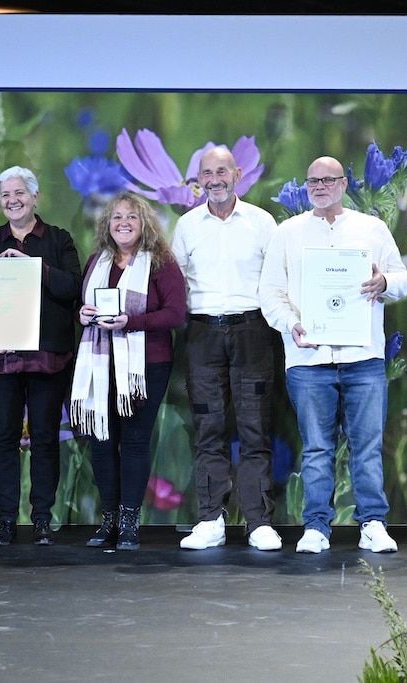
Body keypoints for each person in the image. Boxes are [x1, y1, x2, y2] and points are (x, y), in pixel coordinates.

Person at [259, 155, 407, 554]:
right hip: (308, 360)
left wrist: (384, 283)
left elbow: (403, 279)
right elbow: (270, 292)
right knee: (316, 447)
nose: (320, 186)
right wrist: (290, 323)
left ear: (345, 185)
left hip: (363, 357)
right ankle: (316, 527)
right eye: (313, 181)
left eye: (328, 179)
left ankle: (373, 523)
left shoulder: (372, 229)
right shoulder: (287, 232)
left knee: (367, 445)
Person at [171, 146, 281, 551]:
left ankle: (258, 522)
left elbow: (277, 278)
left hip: (253, 330)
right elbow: (174, 281)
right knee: (209, 428)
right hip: (202, 335)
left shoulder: (262, 222)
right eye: (206, 173)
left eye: (221, 171)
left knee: (254, 427)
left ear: (237, 174)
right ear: (198, 178)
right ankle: (211, 519)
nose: (214, 179)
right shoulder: (186, 226)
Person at [71, 192, 186, 550]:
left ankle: (130, 522)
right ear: (107, 223)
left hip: (146, 364)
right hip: (100, 361)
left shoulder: (161, 263)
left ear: (145, 223)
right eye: (117, 216)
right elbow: (85, 304)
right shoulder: (96, 261)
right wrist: (83, 315)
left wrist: (130, 322)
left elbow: (175, 314)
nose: (124, 223)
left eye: (132, 217)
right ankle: (108, 519)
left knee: (134, 441)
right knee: (102, 440)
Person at [0, 166, 82, 546]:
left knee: (44, 438)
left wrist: (32, 268)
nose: (12, 200)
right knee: (3, 438)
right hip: (1, 357)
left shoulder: (58, 240)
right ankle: (5, 518)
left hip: (46, 356)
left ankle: (40, 518)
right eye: (5, 195)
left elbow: (73, 287)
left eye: (19, 192)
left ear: (35, 196)